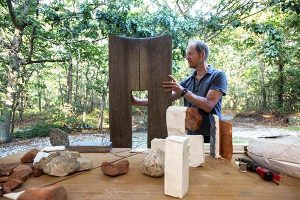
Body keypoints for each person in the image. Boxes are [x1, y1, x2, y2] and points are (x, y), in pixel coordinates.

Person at [131, 40, 227, 143]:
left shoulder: (218, 75)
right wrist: (138, 102)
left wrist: (182, 91)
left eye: (190, 54)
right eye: (186, 55)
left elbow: (208, 105)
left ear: (202, 54)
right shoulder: (188, 80)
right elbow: (165, 99)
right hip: (191, 135)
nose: (187, 58)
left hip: (212, 135)